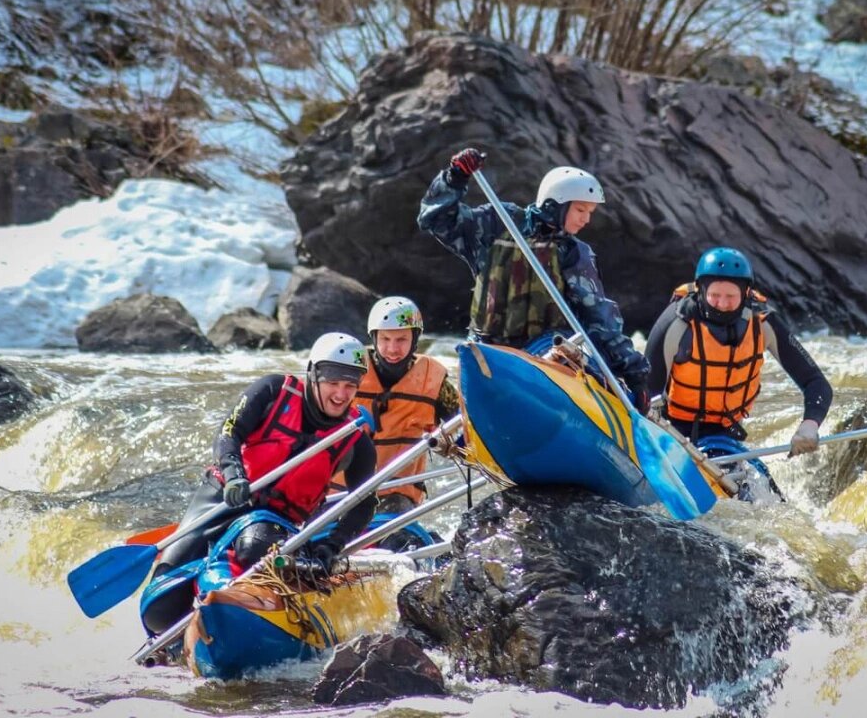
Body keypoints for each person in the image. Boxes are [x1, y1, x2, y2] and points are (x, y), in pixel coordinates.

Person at [139, 332, 379, 636]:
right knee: (158, 609)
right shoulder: (272, 390)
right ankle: (175, 644)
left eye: (350, 386)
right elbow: (228, 432)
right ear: (313, 374)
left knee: (255, 547)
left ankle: (259, 617)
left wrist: (333, 545)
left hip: (275, 521)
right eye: (333, 383)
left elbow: (365, 504)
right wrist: (234, 473)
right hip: (223, 500)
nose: (341, 395)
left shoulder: (355, 436)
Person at [418, 147, 650, 411]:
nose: (586, 220)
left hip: (547, 354)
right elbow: (435, 219)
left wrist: (634, 373)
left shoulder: (574, 253)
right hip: (488, 351)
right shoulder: (497, 223)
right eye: (581, 210)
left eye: (590, 213)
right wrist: (454, 177)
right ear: (555, 205)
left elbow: (599, 317)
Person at [643, 247, 833, 459]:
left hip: (724, 438)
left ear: (746, 293)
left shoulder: (762, 323)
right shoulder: (677, 323)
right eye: (715, 295)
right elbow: (646, 391)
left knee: (759, 488)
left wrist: (809, 424)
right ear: (700, 289)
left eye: (731, 296)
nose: (723, 304)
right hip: (673, 432)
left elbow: (816, 383)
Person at [332, 296, 460, 514]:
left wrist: (450, 445)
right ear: (374, 338)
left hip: (395, 493)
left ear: (415, 339)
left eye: (401, 339)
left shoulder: (435, 383)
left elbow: (464, 428)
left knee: (398, 535)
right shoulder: (347, 370)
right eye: (385, 339)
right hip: (339, 494)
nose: (392, 349)